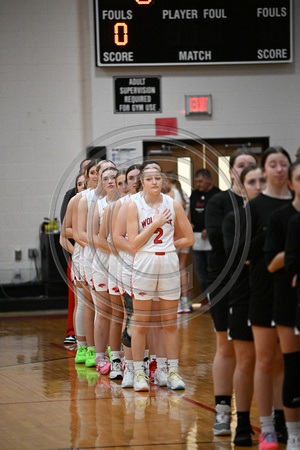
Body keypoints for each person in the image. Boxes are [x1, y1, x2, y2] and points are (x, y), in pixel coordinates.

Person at [127, 165, 194, 392]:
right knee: (141, 323)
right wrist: (155, 224)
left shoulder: (173, 204)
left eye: (158, 178)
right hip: (144, 261)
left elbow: (189, 238)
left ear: (162, 180)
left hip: (167, 262)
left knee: (170, 323)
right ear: (142, 182)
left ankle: (172, 370)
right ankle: (138, 373)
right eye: (149, 179)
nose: (154, 182)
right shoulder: (134, 205)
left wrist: (169, 246)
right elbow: (134, 243)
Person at [205, 149, 257, 436]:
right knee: (225, 346)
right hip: (225, 281)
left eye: (251, 165)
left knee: (261, 353)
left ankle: (270, 418)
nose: (246, 168)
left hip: (260, 283)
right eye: (241, 164)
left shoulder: (265, 204)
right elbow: (217, 239)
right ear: (232, 171)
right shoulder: (219, 202)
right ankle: (223, 412)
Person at [248, 146, 292, 449]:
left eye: (283, 164)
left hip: (292, 291)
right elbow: (248, 253)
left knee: (288, 363)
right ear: (264, 170)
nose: (279, 169)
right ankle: (266, 427)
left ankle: (288, 423)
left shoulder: (297, 204)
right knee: (265, 360)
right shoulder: (254, 207)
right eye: (273, 164)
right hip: (264, 289)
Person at [222, 164, 266, 446]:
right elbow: (238, 256)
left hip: (273, 295)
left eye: (262, 181)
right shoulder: (233, 218)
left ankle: (276, 423)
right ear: (242, 186)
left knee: (274, 362)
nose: (258, 186)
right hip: (242, 295)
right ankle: (241, 422)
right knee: (246, 360)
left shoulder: (284, 215)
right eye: (252, 181)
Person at [265, 160, 300, 449]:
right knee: (292, 366)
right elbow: (272, 264)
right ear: (291, 183)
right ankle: (293, 435)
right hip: (288, 299)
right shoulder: (282, 217)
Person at [60, 159, 90, 345]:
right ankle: (75, 335)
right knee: (78, 300)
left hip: (100, 256)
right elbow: (65, 231)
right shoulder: (72, 198)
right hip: (79, 254)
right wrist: (75, 252)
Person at [189, 169, 220, 298]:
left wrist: (209, 228)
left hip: (212, 238)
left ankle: (215, 297)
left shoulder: (218, 194)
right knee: (199, 271)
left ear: (208, 179)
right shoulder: (194, 194)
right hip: (196, 239)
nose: (198, 184)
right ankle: (207, 298)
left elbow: (222, 216)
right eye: (196, 182)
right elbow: (189, 211)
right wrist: (188, 223)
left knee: (213, 270)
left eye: (200, 181)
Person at [165, 171, 192, 313]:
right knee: (182, 267)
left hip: (175, 236)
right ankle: (185, 302)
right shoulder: (185, 195)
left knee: (173, 268)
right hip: (186, 235)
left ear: (168, 180)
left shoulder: (169, 196)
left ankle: (175, 301)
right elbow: (189, 218)